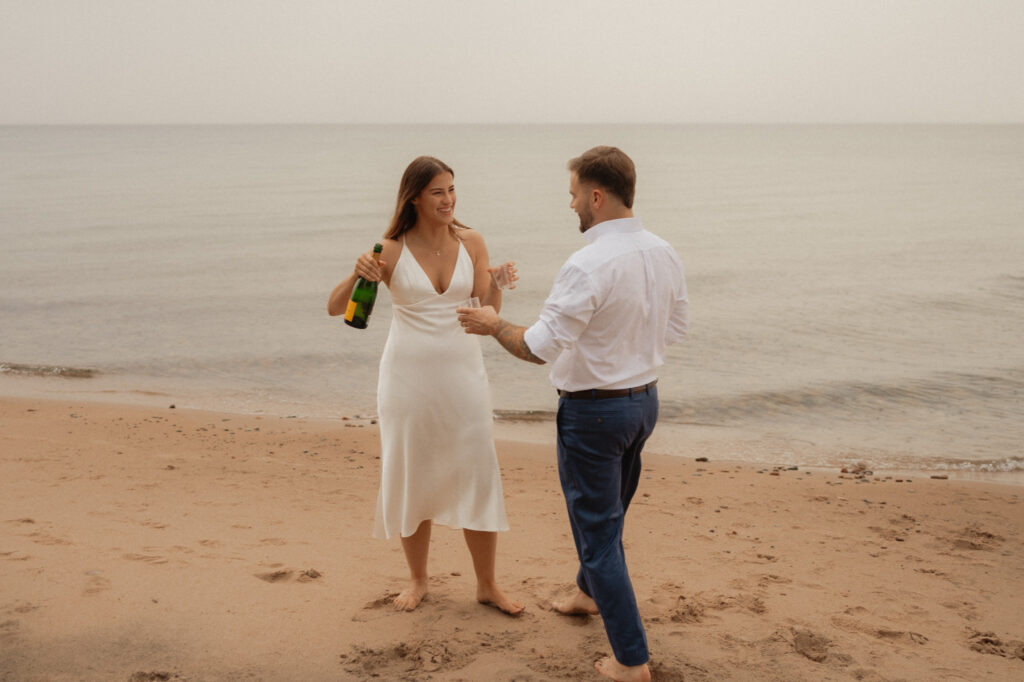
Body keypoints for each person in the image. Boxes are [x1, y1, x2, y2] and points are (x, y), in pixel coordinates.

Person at [458, 146, 688, 682]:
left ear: (597, 196)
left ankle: (631, 661)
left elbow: (538, 346)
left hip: (595, 416)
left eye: (573, 194)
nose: (571, 205)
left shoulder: (587, 262)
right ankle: (587, 596)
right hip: (643, 404)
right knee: (609, 517)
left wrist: (494, 324)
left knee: (599, 535)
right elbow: (674, 331)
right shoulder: (665, 252)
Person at [328, 156, 523, 616]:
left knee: (476, 471)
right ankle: (418, 579)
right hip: (407, 381)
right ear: (414, 196)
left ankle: (487, 584)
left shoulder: (472, 241)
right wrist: (358, 270)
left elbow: (482, 316)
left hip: (463, 378)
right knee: (412, 472)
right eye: (438, 191)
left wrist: (496, 285)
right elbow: (336, 308)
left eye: (452, 189)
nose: (449, 199)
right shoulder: (390, 248)